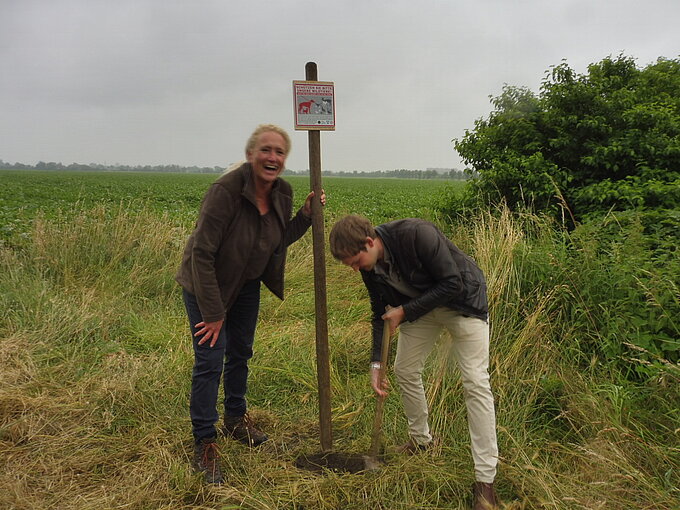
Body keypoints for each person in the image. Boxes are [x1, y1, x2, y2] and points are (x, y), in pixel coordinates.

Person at [176, 124, 325, 484]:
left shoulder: (283, 192)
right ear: (250, 154)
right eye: (265, 150)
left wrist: (304, 217)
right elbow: (202, 253)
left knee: (241, 352)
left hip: (245, 287)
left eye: (279, 152)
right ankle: (205, 442)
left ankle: (235, 420)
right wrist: (213, 314)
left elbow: (276, 239)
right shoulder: (224, 192)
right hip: (206, 285)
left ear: (284, 160)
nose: (272, 157)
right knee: (211, 358)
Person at [329, 215, 499, 510]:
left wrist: (405, 311)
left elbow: (452, 283)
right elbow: (379, 313)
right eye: (349, 265)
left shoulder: (416, 234)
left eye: (355, 261)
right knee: (404, 369)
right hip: (421, 308)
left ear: (370, 242)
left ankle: (485, 481)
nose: (355, 268)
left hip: (463, 302)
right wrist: (375, 367)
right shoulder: (369, 265)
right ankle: (421, 442)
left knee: (474, 382)